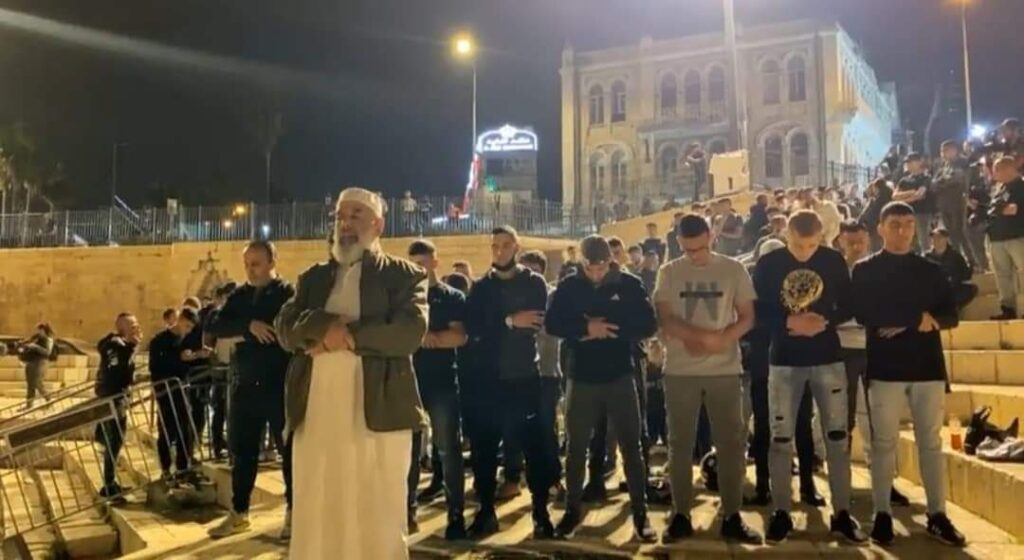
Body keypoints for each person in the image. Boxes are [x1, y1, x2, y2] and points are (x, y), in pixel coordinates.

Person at [277, 187, 428, 559]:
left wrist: (346, 337)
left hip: (378, 410)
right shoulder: (312, 279)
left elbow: (409, 331)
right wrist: (324, 326)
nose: (345, 224)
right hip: (317, 410)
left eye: (356, 215)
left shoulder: (404, 276)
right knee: (320, 501)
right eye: (340, 217)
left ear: (378, 225)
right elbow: (285, 327)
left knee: (376, 503)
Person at [851, 201, 966, 547]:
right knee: (884, 443)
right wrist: (917, 318)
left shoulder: (930, 269)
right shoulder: (865, 270)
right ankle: (882, 514)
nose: (902, 231)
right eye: (895, 224)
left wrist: (907, 320)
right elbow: (866, 313)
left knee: (930, 443)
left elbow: (950, 315)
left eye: (908, 224)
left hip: (927, 366)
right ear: (881, 228)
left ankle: (937, 514)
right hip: (886, 367)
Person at [752, 210, 866, 544]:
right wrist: (790, 322)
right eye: (799, 245)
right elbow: (757, 309)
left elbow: (849, 303)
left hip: (828, 357)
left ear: (821, 238)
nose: (805, 252)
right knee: (780, 438)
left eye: (812, 245)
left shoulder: (832, 260)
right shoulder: (769, 264)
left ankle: (842, 512)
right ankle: (781, 511)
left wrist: (824, 320)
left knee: (837, 437)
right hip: (784, 361)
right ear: (787, 236)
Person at [654, 215, 763, 544]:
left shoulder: (733, 269)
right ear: (678, 243)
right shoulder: (669, 272)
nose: (695, 256)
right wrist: (698, 337)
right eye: (687, 250)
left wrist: (723, 339)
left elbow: (748, 316)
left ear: (711, 237)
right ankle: (681, 514)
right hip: (680, 371)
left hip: (724, 370)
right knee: (679, 444)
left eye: (700, 248)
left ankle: (732, 514)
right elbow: (664, 317)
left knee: (731, 444)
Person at [545, 235, 658, 542]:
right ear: (581, 263)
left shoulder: (629, 284)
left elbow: (648, 324)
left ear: (611, 261)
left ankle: (640, 512)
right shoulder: (569, 287)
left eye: (602, 267)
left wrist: (610, 329)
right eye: (590, 268)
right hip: (581, 375)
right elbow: (553, 324)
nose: (596, 274)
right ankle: (572, 511)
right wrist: (585, 329)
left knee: (632, 446)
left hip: (620, 373)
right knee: (576, 447)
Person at [463, 226, 560, 539]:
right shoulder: (481, 287)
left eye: (505, 245)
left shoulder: (533, 282)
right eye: (495, 245)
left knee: (534, 448)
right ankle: (486, 512)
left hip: (523, 377)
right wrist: (508, 320)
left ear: (516, 247)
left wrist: (497, 323)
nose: (500, 250)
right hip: (488, 380)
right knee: (485, 450)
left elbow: (532, 321)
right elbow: (474, 327)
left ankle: (541, 513)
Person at [206, 240, 296, 540]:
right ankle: (239, 512)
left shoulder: (287, 293)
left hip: (278, 384)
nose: (251, 270)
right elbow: (215, 323)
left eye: (256, 264)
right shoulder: (240, 295)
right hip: (245, 384)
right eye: (247, 264)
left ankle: (294, 513)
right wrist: (248, 326)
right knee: (242, 450)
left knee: (288, 452)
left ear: (272, 262)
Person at [835, 221, 912, 508]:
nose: (856, 246)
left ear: (868, 239)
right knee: (841, 419)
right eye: (850, 242)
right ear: (841, 241)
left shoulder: (878, 269)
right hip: (842, 348)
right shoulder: (836, 273)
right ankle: (841, 484)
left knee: (879, 420)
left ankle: (885, 483)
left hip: (875, 348)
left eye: (860, 241)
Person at [405, 239, 469, 540]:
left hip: (443, 381)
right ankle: (407, 512)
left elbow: (460, 337)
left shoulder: (451, 296)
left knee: (449, 450)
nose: (418, 269)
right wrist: (428, 338)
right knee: (408, 452)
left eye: (422, 263)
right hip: (410, 383)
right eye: (413, 263)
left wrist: (427, 337)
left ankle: (456, 514)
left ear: (434, 262)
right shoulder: (402, 298)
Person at [518, 250, 564, 499]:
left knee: (547, 427)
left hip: (547, 371)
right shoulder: (515, 297)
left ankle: (553, 477)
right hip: (520, 373)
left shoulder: (553, 296)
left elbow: (554, 329)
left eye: (533, 270)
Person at [148, 307, 201, 481]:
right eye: (187, 326)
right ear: (180, 320)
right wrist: (180, 359)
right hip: (165, 392)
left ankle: (183, 467)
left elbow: (191, 365)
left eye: (191, 328)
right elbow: (156, 367)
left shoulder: (187, 340)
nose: (188, 330)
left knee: (185, 429)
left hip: (182, 391)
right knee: (166, 431)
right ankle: (166, 469)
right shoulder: (159, 340)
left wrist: (198, 356)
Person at [94, 313, 142, 502]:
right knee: (114, 441)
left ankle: (110, 483)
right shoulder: (116, 345)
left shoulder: (118, 345)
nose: (136, 327)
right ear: (121, 326)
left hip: (115, 398)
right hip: (112, 399)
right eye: (132, 324)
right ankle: (108, 485)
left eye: (136, 324)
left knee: (115, 442)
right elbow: (117, 372)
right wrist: (132, 347)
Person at [986, 157, 1024, 320]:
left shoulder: (1020, 186)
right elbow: (994, 209)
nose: (994, 174)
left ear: (1008, 169)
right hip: (997, 237)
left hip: (1017, 236)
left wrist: (997, 210)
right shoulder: (999, 188)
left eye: (997, 170)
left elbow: (1012, 209)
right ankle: (1008, 309)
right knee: (1002, 275)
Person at [933, 140, 971, 261]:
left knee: (960, 232)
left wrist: (942, 182)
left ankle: (972, 261)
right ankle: (958, 259)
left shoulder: (962, 163)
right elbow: (933, 184)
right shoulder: (943, 165)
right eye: (942, 151)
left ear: (954, 150)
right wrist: (942, 182)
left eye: (945, 151)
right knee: (950, 234)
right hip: (944, 203)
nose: (943, 154)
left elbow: (956, 180)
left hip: (957, 202)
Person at [926, 227, 978, 312]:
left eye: (939, 237)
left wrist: (971, 268)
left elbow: (964, 275)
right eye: (933, 238)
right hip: (933, 291)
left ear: (946, 239)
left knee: (970, 289)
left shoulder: (956, 257)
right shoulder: (926, 256)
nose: (936, 240)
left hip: (951, 289)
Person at [892, 154, 935, 252]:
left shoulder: (926, 178)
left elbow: (920, 195)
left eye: (911, 162)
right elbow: (895, 196)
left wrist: (902, 198)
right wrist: (911, 193)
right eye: (907, 163)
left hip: (922, 213)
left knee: (924, 241)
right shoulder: (904, 180)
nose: (908, 165)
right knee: (909, 241)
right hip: (907, 214)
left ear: (919, 162)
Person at [17, 323, 54, 409]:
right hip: (30, 362)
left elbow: (47, 352)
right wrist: (23, 347)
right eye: (38, 330)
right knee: (30, 384)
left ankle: (49, 400)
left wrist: (35, 347)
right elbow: (27, 345)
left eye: (41, 330)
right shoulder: (35, 338)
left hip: (40, 362)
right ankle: (29, 405)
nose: (39, 332)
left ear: (45, 330)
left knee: (38, 382)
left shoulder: (48, 339)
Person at [860, 179, 894, 251]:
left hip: (876, 227)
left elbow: (872, 214)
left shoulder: (878, 200)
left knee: (876, 248)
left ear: (877, 188)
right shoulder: (891, 197)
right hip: (888, 226)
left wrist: (863, 222)